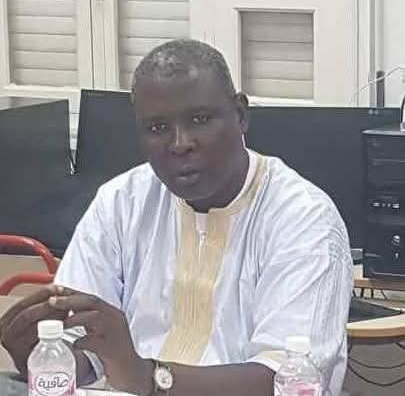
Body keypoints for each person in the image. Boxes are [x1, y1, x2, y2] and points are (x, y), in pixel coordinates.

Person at [0, 39, 352, 396]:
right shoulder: (121, 202)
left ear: (241, 114)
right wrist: (43, 356)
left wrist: (149, 378)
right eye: (157, 128)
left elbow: (287, 379)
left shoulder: (303, 219)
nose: (180, 143)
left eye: (200, 120)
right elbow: (87, 349)